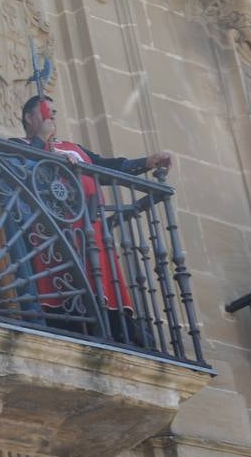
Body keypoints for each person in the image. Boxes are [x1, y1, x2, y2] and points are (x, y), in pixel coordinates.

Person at [11, 94, 171, 341]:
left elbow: (107, 168)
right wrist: (41, 141)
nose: (51, 116)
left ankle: (117, 330)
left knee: (103, 283)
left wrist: (147, 162)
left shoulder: (74, 148)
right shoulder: (17, 144)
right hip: (51, 235)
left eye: (53, 112)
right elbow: (17, 170)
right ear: (29, 117)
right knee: (63, 288)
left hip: (91, 230)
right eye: (45, 111)